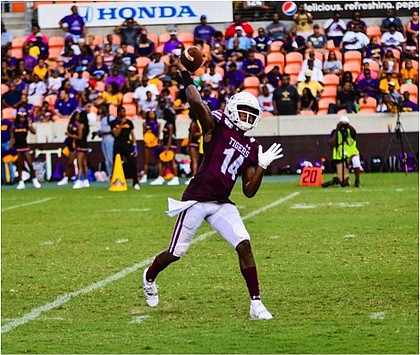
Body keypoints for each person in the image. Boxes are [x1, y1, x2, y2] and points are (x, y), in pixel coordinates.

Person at [142, 58, 284, 320]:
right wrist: (186, 75)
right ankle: (149, 276)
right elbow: (197, 104)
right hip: (196, 199)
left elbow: (249, 191)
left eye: (251, 116)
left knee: (244, 244)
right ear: (232, 109)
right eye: (243, 112)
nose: (247, 118)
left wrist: (262, 166)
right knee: (176, 252)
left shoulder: (253, 146)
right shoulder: (217, 124)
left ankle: (256, 304)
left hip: (221, 202)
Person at [11, 108, 42, 190]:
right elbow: (12, 138)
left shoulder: (26, 125)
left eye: (23, 117)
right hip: (17, 147)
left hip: (25, 147)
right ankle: (21, 182)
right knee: (20, 165)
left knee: (30, 164)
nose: (22, 119)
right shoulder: (14, 126)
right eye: (21, 117)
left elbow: (34, 132)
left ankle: (35, 180)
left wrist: (30, 124)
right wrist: (10, 147)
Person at [110, 106, 140, 190]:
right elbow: (116, 134)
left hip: (127, 144)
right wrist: (121, 124)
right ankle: (115, 181)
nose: (124, 113)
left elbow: (132, 134)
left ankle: (136, 182)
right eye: (122, 111)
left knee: (132, 163)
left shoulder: (129, 122)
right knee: (117, 163)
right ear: (118, 113)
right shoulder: (113, 122)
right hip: (118, 145)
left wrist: (135, 146)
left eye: (124, 111)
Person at [328, 115, 363, 187]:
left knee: (356, 161)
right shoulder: (335, 132)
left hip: (352, 153)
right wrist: (338, 129)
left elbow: (354, 133)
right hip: (341, 157)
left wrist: (348, 126)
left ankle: (357, 180)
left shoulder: (350, 131)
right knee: (343, 183)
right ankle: (343, 180)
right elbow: (331, 144)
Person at [150, 102, 179, 186]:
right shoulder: (166, 124)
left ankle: (175, 177)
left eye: (163, 114)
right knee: (164, 162)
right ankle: (161, 177)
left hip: (171, 145)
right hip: (166, 145)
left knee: (172, 161)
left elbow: (170, 137)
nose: (162, 115)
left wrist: (167, 148)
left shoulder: (170, 125)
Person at [66, 110, 90, 189]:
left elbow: (79, 137)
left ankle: (79, 180)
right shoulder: (86, 126)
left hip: (81, 146)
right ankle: (86, 180)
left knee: (79, 164)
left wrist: (70, 135)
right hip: (86, 145)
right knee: (84, 164)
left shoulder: (80, 126)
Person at [57, 111, 78, 186]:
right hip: (72, 145)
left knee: (81, 163)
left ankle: (80, 178)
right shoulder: (72, 124)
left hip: (78, 144)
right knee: (70, 162)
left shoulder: (80, 125)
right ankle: (66, 177)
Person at [140, 109, 160, 183]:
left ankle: (158, 175)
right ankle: (145, 175)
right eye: (150, 114)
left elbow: (158, 134)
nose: (151, 115)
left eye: (153, 114)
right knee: (146, 160)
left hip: (155, 143)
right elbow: (144, 133)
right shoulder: (145, 124)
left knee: (157, 160)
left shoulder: (158, 124)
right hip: (147, 143)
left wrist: (157, 142)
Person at [97, 104, 115, 179]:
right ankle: (110, 174)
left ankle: (115, 173)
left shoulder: (110, 118)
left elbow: (114, 130)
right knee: (107, 160)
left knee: (111, 158)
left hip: (110, 140)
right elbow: (103, 129)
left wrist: (104, 133)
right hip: (104, 140)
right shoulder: (102, 118)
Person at [185, 110, 202, 186]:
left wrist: (188, 145)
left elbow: (193, 135)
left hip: (193, 144)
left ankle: (193, 176)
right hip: (198, 143)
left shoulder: (193, 123)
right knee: (197, 161)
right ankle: (196, 176)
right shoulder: (199, 122)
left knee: (194, 160)